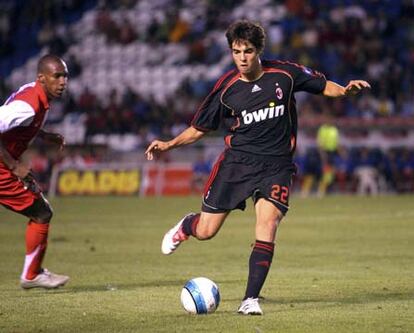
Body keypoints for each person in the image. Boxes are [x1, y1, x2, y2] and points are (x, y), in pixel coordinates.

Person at [145, 20, 370, 315]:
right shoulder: (226, 89)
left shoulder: (285, 74)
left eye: (248, 51)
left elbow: (321, 85)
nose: (242, 57)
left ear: (259, 50)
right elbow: (199, 128)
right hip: (237, 164)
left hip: (277, 165)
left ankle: (250, 299)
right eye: (236, 51)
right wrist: (169, 144)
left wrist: (344, 92)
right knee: (207, 230)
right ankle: (188, 225)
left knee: (268, 224)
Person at [0, 54, 70, 289]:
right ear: (42, 78)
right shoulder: (28, 105)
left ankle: (32, 274)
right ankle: (31, 275)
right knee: (41, 212)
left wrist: (43, 134)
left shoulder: (34, 94)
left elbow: (20, 123)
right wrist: (13, 165)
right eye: (57, 76)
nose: (62, 82)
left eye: (65, 76)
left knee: (41, 211)